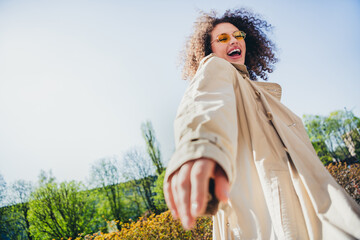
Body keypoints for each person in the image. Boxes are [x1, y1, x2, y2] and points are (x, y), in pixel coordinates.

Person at [163, 8, 360, 240]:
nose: (234, 40)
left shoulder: (261, 94)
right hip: (267, 215)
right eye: (223, 38)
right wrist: (200, 146)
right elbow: (206, 100)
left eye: (238, 35)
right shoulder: (216, 67)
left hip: (312, 203)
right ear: (210, 50)